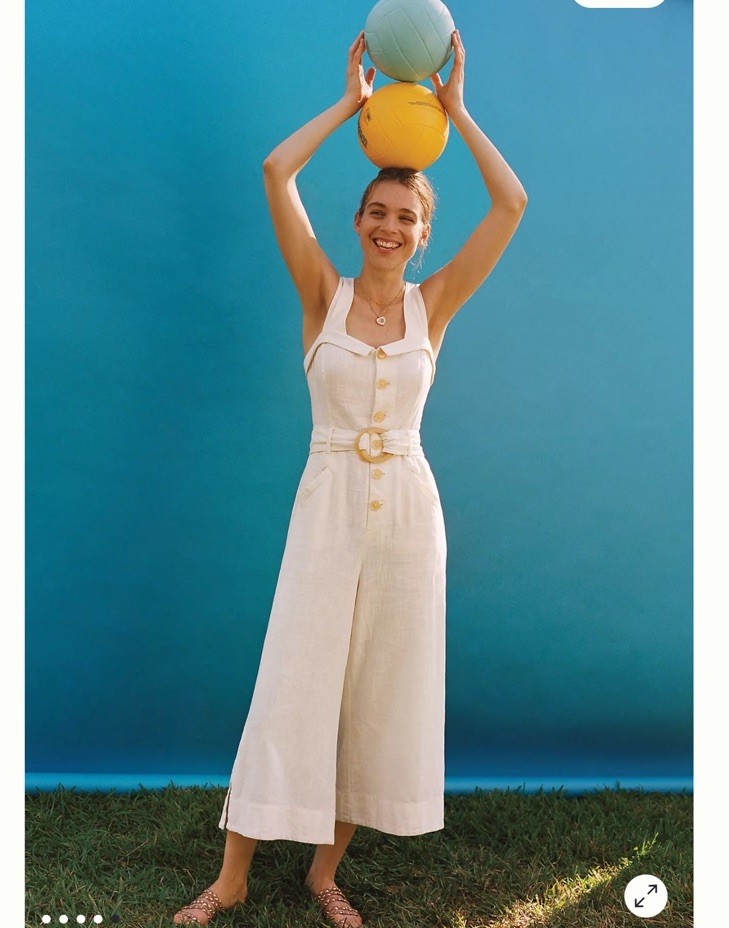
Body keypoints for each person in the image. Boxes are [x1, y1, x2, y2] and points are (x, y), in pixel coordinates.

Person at [173, 28, 526, 928]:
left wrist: (455, 112)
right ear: (358, 220)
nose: (388, 226)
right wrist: (350, 103)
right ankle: (231, 878)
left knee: (376, 691)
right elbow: (274, 170)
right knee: (292, 679)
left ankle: (324, 872)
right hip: (325, 505)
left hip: (407, 513)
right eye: (376, 211)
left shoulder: (433, 305)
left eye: (405, 217)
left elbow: (511, 202)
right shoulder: (319, 294)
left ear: (422, 235)